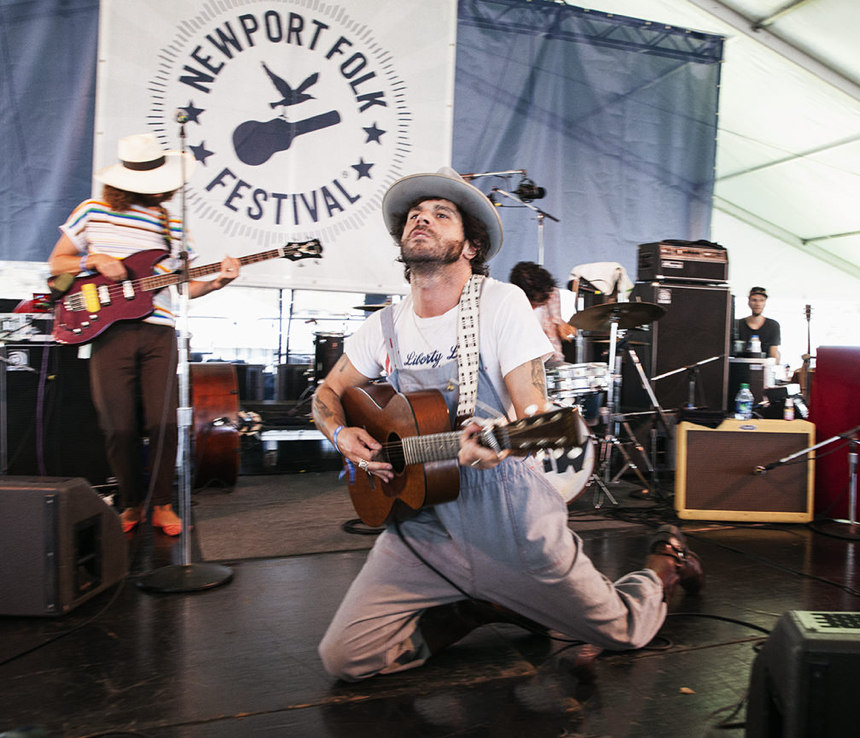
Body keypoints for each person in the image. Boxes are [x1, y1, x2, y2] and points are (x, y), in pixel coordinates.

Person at [311, 167, 703, 682]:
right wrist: (341, 436)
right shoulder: (382, 324)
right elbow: (325, 394)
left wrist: (506, 442)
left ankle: (663, 564)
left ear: (470, 247)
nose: (421, 220)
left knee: (623, 630)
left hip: (506, 517)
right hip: (420, 523)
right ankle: (475, 607)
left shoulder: (500, 303)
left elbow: (536, 413)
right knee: (345, 659)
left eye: (440, 214)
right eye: (414, 215)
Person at [48, 133, 241, 536]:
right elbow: (57, 265)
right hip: (107, 330)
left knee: (164, 422)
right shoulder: (92, 210)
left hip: (159, 331)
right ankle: (131, 503)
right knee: (117, 424)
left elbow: (184, 286)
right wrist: (94, 258)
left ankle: (162, 503)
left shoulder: (171, 223)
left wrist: (219, 282)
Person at [509, 261, 576, 364]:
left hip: (551, 358)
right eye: (536, 302)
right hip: (523, 361)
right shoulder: (510, 303)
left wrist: (563, 327)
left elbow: (556, 321)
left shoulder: (552, 293)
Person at [737, 286, 781, 362]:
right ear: (749, 302)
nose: (758, 304)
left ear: (765, 302)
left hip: (764, 367)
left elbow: (773, 354)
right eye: (754, 300)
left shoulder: (773, 325)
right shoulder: (737, 325)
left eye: (761, 300)